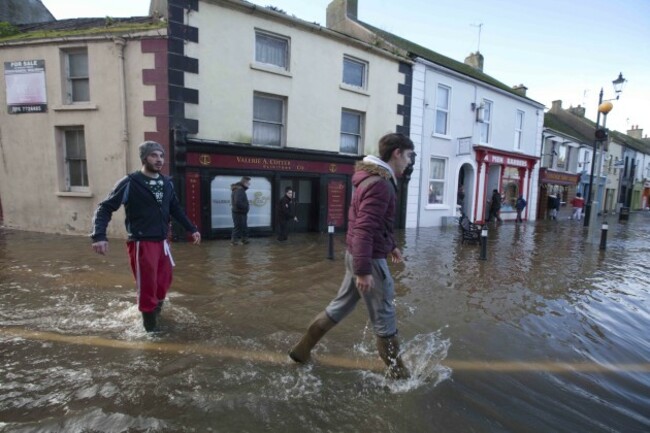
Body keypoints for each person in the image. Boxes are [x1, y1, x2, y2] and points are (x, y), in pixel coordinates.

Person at [289, 133, 415, 380]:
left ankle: (301, 351)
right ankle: (399, 377)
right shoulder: (380, 183)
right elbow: (365, 228)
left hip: (357, 254)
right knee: (385, 317)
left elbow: (373, 224)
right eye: (409, 156)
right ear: (397, 152)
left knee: (338, 307)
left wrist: (391, 245)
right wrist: (364, 271)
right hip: (368, 260)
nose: (410, 162)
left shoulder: (370, 178)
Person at [90, 141, 201, 332]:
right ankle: (150, 329)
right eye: (154, 155)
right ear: (144, 158)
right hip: (142, 242)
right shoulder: (130, 182)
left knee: (163, 282)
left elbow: (175, 208)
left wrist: (192, 228)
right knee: (147, 286)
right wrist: (99, 235)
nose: (159, 160)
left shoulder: (167, 183)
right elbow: (105, 207)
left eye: (161, 156)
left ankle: (155, 314)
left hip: (162, 242)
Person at [230, 176, 251, 245]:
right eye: (248, 182)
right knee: (238, 226)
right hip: (239, 212)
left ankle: (244, 240)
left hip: (240, 212)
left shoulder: (239, 189)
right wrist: (246, 207)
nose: (249, 184)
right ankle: (234, 241)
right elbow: (238, 202)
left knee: (243, 226)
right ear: (244, 182)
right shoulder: (239, 190)